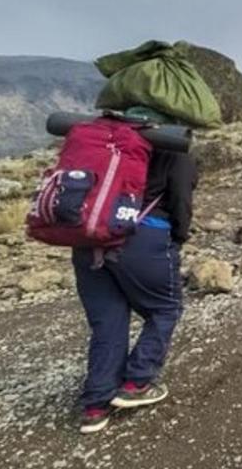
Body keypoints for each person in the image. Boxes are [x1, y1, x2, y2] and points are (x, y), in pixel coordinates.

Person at [73, 106, 196, 434]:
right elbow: (181, 200)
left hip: (88, 240)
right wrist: (178, 237)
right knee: (165, 309)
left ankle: (96, 406)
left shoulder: (103, 142)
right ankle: (135, 383)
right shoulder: (172, 147)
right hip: (143, 238)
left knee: (108, 320)